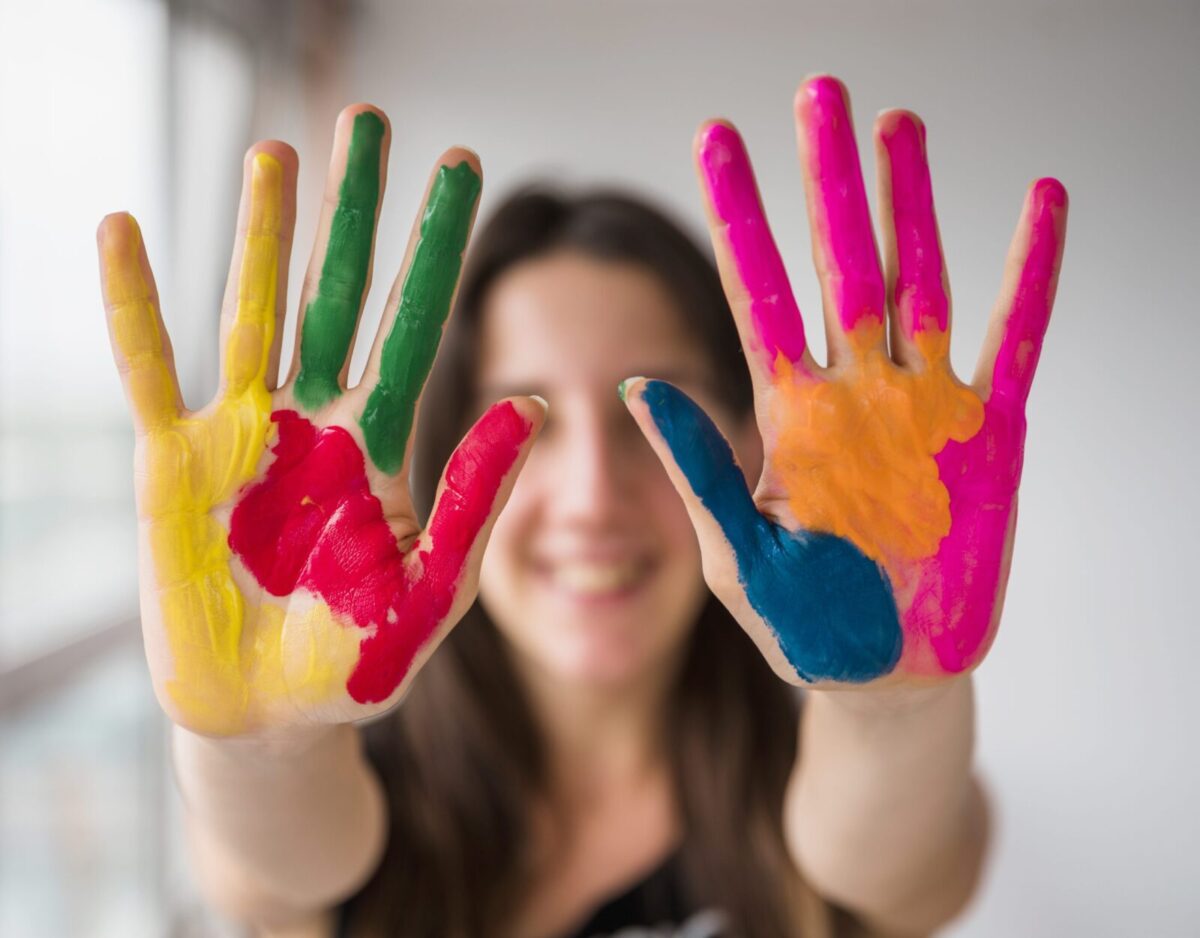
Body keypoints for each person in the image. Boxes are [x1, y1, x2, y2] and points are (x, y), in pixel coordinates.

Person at [95, 75, 1068, 937]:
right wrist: (265, 738)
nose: (592, 494)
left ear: (751, 432)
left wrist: (897, 696)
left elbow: (898, 859)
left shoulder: (821, 793)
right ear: (440, 459)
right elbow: (276, 858)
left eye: (649, 412)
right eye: (530, 420)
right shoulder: (352, 803)